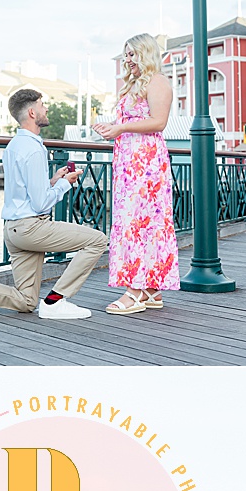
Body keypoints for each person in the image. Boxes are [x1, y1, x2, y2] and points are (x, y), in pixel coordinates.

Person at [0, 86, 108, 322]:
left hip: (14, 228)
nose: (46, 108)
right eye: (42, 104)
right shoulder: (33, 148)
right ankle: (56, 301)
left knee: (27, 301)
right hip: (32, 227)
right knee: (98, 240)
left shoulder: (14, 146)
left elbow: (26, 192)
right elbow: (40, 204)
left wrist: (53, 180)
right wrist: (65, 184)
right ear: (32, 112)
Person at [94, 31, 179, 315]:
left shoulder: (158, 82)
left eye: (132, 54)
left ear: (146, 53)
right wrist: (111, 128)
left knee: (141, 223)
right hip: (129, 162)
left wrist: (121, 128)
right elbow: (131, 122)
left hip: (146, 162)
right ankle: (152, 289)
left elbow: (158, 122)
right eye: (126, 54)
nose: (128, 59)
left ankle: (136, 289)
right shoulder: (133, 85)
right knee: (133, 220)